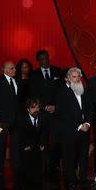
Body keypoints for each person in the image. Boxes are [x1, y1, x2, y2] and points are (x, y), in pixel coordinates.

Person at [28, 49, 63, 182]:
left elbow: (61, 92)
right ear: (38, 61)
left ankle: (54, 166)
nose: (45, 60)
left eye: (46, 58)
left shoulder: (57, 71)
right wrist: (43, 107)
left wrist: (55, 107)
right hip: (41, 113)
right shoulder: (34, 75)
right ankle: (44, 167)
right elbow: (33, 93)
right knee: (42, 140)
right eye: (42, 59)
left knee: (56, 140)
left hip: (56, 113)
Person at [56, 67, 93, 190]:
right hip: (70, 131)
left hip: (85, 130)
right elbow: (63, 115)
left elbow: (89, 109)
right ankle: (71, 182)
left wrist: (87, 123)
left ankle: (83, 180)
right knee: (69, 158)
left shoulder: (83, 90)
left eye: (79, 76)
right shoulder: (62, 93)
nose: (77, 79)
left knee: (83, 156)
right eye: (74, 77)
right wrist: (79, 125)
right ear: (67, 78)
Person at [0, 61, 21, 189]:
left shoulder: (17, 81)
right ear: (4, 69)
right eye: (12, 68)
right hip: (2, 119)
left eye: (14, 68)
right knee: (0, 144)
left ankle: (16, 167)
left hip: (16, 120)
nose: (15, 70)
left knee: (16, 144)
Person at [16, 98, 49, 190]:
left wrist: (42, 143)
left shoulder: (43, 117)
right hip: (27, 148)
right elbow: (21, 135)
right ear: (28, 109)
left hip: (39, 148)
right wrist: (26, 145)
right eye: (33, 108)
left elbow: (44, 132)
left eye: (37, 107)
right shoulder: (22, 119)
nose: (36, 110)